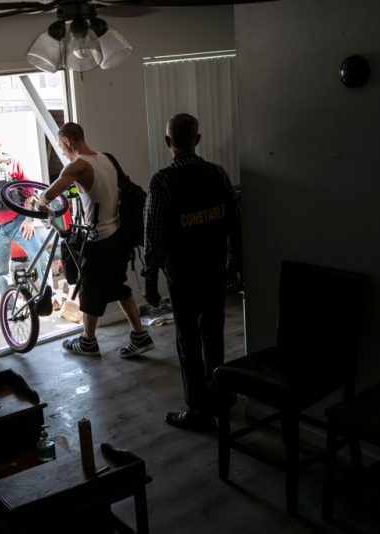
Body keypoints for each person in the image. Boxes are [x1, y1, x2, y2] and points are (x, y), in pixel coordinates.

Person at [142, 113, 242, 431]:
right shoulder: (217, 173)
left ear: (168, 142)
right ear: (198, 140)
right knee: (213, 333)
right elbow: (234, 223)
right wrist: (235, 264)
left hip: (182, 274)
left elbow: (154, 236)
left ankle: (198, 410)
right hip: (214, 269)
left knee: (188, 339)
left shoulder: (163, 182)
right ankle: (220, 395)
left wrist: (150, 280)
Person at [37, 122, 154, 358]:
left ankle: (88, 342)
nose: (62, 151)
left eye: (61, 146)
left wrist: (38, 202)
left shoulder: (78, 166)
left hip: (98, 239)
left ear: (68, 141)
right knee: (117, 285)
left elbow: (49, 195)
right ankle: (140, 335)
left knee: (89, 291)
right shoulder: (106, 158)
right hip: (118, 235)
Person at [0, 130, 49, 295]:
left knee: (41, 256)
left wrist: (29, 220)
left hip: (18, 224)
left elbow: (30, 193)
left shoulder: (11, 163)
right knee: (1, 274)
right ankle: (9, 308)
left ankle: (48, 297)